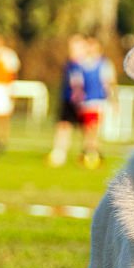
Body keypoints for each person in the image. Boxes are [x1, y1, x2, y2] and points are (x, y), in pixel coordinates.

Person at [46, 34, 88, 168]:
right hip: (67, 100)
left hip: (82, 102)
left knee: (87, 129)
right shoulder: (70, 64)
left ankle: (88, 154)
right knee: (63, 126)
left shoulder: (86, 65)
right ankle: (59, 153)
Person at [75, 37, 116, 170]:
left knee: (94, 129)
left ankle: (93, 154)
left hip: (98, 101)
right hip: (84, 102)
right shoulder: (82, 64)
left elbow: (110, 83)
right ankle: (90, 152)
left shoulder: (104, 64)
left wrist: (113, 100)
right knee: (87, 130)